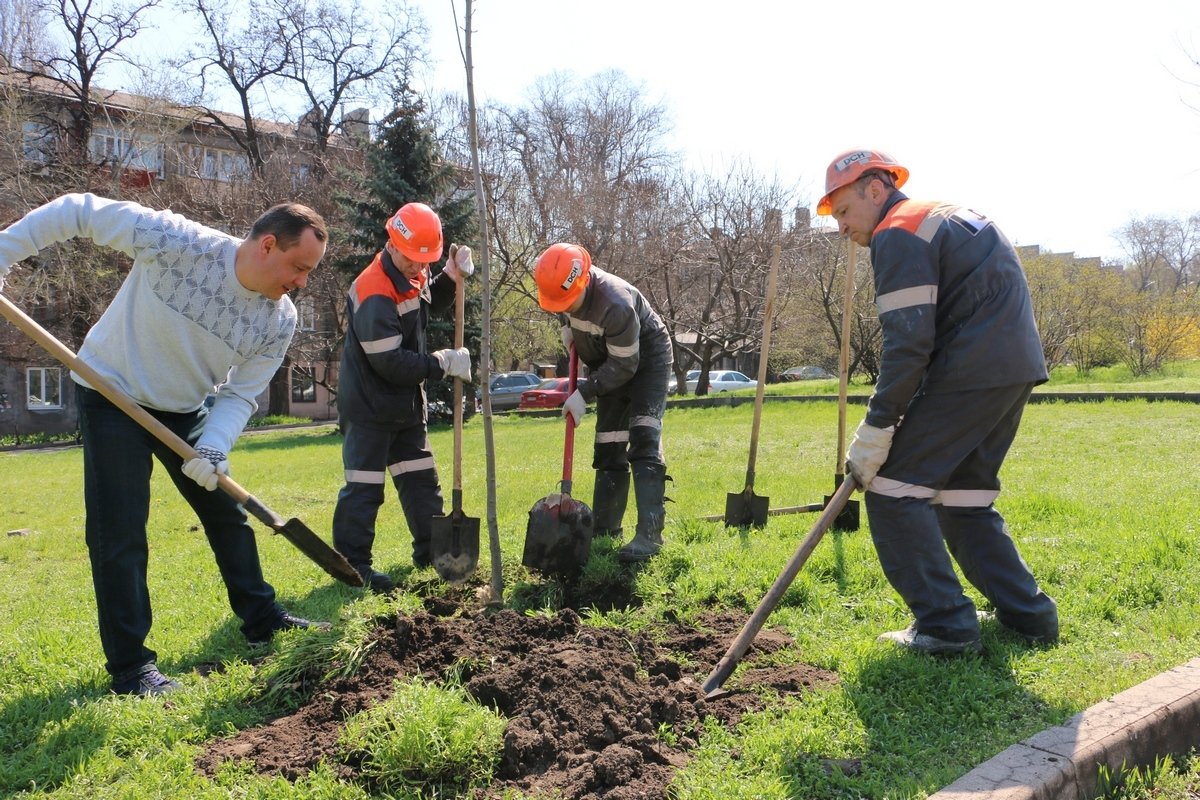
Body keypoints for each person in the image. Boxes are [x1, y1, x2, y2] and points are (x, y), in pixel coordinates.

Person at [0, 192, 331, 696]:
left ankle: (262, 619)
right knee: (120, 531)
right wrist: (3, 254)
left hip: (184, 406)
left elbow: (240, 395)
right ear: (267, 245)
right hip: (112, 393)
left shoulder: (278, 319)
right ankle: (131, 668)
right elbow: (76, 210)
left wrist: (214, 448)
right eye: (299, 267)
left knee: (225, 511)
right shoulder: (179, 242)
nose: (302, 283)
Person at [817, 149, 1059, 655]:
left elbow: (908, 343)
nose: (841, 228)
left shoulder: (897, 231)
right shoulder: (940, 215)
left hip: (969, 370)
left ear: (876, 190)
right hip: (1013, 368)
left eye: (843, 211)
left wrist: (877, 428)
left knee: (891, 489)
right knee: (963, 497)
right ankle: (1029, 617)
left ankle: (947, 628)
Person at [332, 202, 473, 593]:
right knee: (364, 489)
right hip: (368, 409)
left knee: (421, 482)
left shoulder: (414, 271)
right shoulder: (373, 291)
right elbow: (390, 363)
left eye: (425, 260)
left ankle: (434, 553)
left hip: (405, 407)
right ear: (392, 243)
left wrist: (449, 277)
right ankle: (353, 566)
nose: (418, 266)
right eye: (412, 258)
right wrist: (441, 363)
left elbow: (425, 307)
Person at [532, 243, 673, 562]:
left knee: (643, 435)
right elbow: (564, 308)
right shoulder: (562, 285)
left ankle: (650, 536)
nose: (563, 308)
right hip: (606, 359)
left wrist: (584, 393)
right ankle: (606, 530)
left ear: (584, 281)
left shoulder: (615, 303)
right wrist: (569, 329)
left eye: (567, 303)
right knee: (609, 441)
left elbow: (625, 365)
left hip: (645, 360)